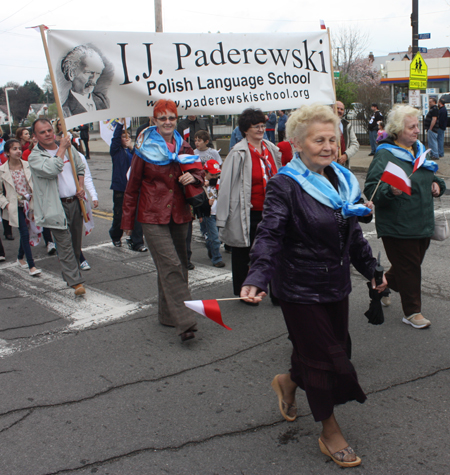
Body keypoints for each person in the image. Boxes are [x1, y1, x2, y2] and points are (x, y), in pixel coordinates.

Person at [240, 103, 385, 468]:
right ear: (297, 144)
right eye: (318, 139)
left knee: (334, 351)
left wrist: (371, 268)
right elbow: (269, 234)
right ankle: (329, 431)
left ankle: (288, 382)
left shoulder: (343, 181)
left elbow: (353, 237)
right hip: (299, 290)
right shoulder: (284, 185)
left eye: (332, 139)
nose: (328, 146)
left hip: (336, 286)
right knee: (325, 361)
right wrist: (257, 276)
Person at [121, 99, 205, 342]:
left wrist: (194, 178)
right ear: (154, 121)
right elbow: (132, 186)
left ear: (175, 119)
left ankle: (168, 315)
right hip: (152, 215)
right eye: (162, 118)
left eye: (171, 117)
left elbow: (198, 170)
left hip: (180, 213)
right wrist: (126, 222)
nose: (167, 122)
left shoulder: (184, 146)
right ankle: (186, 321)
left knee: (179, 264)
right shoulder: (144, 148)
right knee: (170, 265)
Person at [364, 104, 445, 329]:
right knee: (410, 268)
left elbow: (433, 177)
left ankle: (382, 283)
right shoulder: (385, 155)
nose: (417, 130)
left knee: (407, 266)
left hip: (422, 222)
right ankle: (412, 312)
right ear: (398, 130)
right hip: (398, 225)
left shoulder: (419, 150)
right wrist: (389, 190)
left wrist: (438, 185)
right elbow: (371, 188)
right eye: (411, 127)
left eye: (417, 126)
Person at [216, 108, 281, 298]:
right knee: (243, 252)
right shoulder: (238, 153)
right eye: (256, 126)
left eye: (263, 125)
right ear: (245, 129)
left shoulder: (270, 149)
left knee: (274, 250)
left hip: (271, 210)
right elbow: (226, 186)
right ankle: (243, 292)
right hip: (246, 211)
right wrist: (222, 218)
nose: (261, 129)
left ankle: (277, 293)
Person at [28, 118, 87, 296]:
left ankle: (71, 271)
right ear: (35, 136)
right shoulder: (35, 156)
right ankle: (75, 281)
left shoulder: (69, 148)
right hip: (55, 207)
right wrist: (61, 149)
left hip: (74, 203)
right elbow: (52, 169)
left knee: (76, 243)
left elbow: (80, 167)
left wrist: (81, 186)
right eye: (42, 132)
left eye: (48, 130)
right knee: (65, 244)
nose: (47, 134)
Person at [0, 139, 41, 276]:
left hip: (30, 204)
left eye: (19, 148)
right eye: (14, 149)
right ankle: (32, 266)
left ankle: (20, 256)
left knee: (29, 231)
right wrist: (5, 204)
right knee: (24, 232)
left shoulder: (27, 165)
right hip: (15, 205)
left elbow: (35, 184)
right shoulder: (2, 171)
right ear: (7, 153)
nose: (18, 151)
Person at [109, 121, 147, 252]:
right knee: (119, 215)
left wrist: (131, 146)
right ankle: (115, 235)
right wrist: (120, 125)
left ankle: (137, 242)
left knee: (136, 215)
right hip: (120, 188)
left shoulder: (133, 152)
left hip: (134, 188)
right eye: (123, 137)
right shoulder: (116, 151)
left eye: (128, 137)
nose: (126, 139)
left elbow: (141, 156)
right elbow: (115, 140)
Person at [61, 45, 109, 117]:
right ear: (71, 74)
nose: (93, 78)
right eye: (89, 72)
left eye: (98, 73)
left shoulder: (102, 100)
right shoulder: (65, 110)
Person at [202, 159, 225, 268]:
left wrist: (211, 181)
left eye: (217, 174)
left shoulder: (218, 181)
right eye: (212, 174)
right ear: (205, 172)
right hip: (209, 214)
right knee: (215, 238)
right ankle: (217, 259)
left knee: (218, 238)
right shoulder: (200, 183)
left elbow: (222, 182)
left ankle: (210, 246)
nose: (215, 176)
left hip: (219, 213)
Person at [336, 101, 360, 168]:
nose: (339, 111)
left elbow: (355, 144)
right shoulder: (326, 124)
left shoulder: (347, 125)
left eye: (341, 109)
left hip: (344, 166)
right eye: (337, 108)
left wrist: (346, 155)